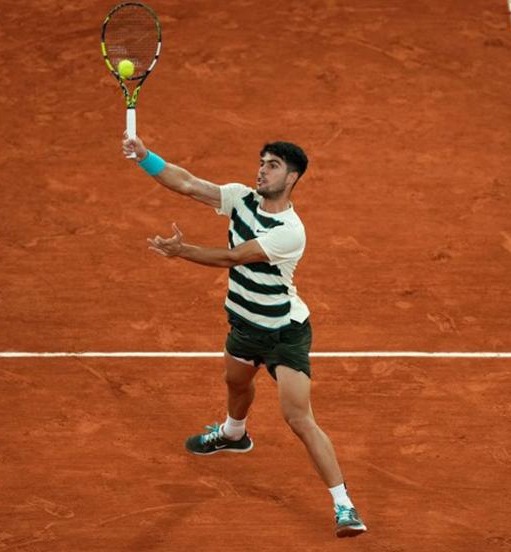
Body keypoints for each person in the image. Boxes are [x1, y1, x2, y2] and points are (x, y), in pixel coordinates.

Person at [122, 134, 367, 538]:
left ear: (291, 178)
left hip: (284, 334)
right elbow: (187, 184)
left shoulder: (290, 231)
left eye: (272, 165)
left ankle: (344, 505)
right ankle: (234, 435)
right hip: (243, 324)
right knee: (236, 383)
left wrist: (181, 251)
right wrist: (147, 158)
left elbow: (235, 257)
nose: (262, 169)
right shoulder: (239, 198)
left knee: (298, 418)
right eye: (262, 161)